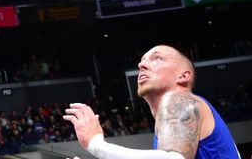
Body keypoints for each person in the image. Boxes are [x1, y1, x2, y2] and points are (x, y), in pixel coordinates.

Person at [64, 45, 241, 159]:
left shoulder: (180, 99)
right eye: (141, 61)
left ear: (183, 76)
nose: (142, 65)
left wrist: (96, 144)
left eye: (157, 58)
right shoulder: (173, 123)